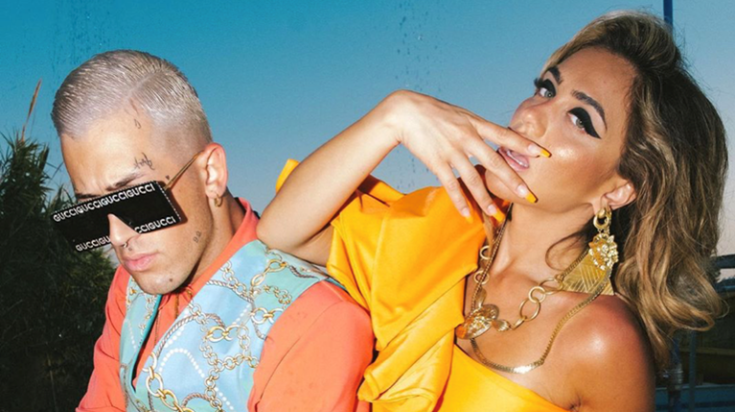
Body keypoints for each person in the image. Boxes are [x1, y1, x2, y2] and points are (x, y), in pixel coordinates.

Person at [258, 11, 727, 411]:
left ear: (619, 190)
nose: (529, 117)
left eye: (579, 119)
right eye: (547, 89)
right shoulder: (441, 231)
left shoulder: (601, 338)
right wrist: (394, 116)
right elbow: (283, 231)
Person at [51, 50, 373, 412]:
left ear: (210, 173)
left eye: (137, 201)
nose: (118, 236)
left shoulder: (311, 322)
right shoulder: (130, 286)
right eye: (92, 211)